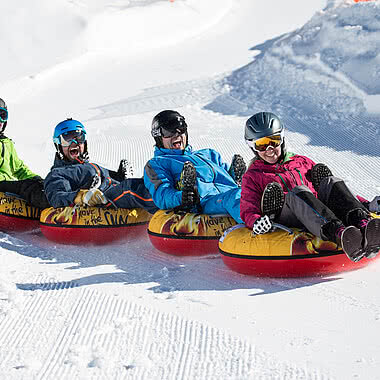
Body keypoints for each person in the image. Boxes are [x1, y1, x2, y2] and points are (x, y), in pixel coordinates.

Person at [240, 111, 380, 262]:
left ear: (282, 139)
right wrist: (256, 222)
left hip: (317, 212)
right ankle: (340, 234)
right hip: (289, 217)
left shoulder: (301, 161)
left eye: (274, 141)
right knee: (298, 192)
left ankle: (363, 225)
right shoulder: (253, 175)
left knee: (330, 181)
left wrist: (366, 204)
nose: (269, 149)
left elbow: (338, 194)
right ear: (253, 147)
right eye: (261, 145)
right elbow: (248, 209)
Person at [143, 110, 246, 223]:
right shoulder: (157, 163)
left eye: (181, 129)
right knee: (234, 197)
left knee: (252, 190)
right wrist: (183, 197)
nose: (177, 134)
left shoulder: (209, 154)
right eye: (168, 132)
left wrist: (234, 175)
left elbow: (224, 181)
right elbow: (162, 195)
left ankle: (260, 210)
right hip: (206, 202)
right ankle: (258, 224)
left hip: (231, 195)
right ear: (158, 137)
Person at [44, 118, 157, 214]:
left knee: (148, 179)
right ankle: (167, 203)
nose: (74, 143)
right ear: (58, 146)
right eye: (67, 139)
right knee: (129, 189)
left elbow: (108, 179)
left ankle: (166, 192)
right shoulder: (57, 174)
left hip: (113, 194)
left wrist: (119, 176)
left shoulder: (89, 167)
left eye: (79, 138)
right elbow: (56, 196)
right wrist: (81, 196)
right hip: (101, 204)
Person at [0, 98, 50, 209]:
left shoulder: (7, 143)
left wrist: (36, 178)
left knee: (38, 185)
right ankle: (51, 207)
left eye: (2, 115)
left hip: (6, 187)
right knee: (26, 187)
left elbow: (19, 169)